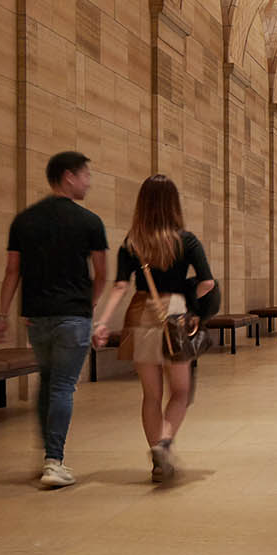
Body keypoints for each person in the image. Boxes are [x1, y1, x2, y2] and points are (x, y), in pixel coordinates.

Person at [0, 151, 108, 489]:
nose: (88, 181)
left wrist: (2, 314)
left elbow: (12, 271)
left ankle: (48, 454)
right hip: (73, 317)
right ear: (68, 177)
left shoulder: (24, 220)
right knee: (62, 386)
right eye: (85, 175)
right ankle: (54, 461)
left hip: (37, 318)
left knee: (47, 382)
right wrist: (89, 305)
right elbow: (101, 274)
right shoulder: (90, 222)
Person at [91, 174, 214, 483]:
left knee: (150, 395)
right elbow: (207, 283)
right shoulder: (186, 241)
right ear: (173, 204)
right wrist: (189, 299)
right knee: (181, 391)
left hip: (139, 313)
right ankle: (164, 443)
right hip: (173, 314)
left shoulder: (132, 242)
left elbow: (120, 286)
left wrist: (103, 321)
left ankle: (158, 462)